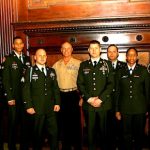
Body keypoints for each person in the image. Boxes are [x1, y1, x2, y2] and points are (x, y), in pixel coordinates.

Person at [77, 40, 114, 150]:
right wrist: (88, 99)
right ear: (88, 50)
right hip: (88, 105)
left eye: (96, 48)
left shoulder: (107, 64)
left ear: (100, 50)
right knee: (90, 133)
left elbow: (111, 84)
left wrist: (100, 99)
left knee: (104, 133)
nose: (93, 50)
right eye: (91, 48)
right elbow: (80, 84)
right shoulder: (83, 65)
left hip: (104, 104)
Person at [23, 48, 60, 150]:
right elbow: (26, 90)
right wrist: (28, 106)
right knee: (37, 135)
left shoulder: (51, 71)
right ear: (35, 57)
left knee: (54, 133)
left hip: (50, 108)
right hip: (36, 108)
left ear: (46, 57)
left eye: (44, 55)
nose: (42, 57)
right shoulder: (30, 71)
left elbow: (55, 88)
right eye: (40, 55)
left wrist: (57, 103)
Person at [115, 47, 150, 150]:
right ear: (126, 57)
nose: (131, 57)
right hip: (125, 109)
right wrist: (117, 110)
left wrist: (147, 108)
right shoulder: (120, 72)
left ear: (137, 56)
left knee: (139, 134)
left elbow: (147, 91)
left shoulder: (143, 71)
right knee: (126, 135)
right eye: (129, 55)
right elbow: (117, 92)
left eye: (133, 55)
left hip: (140, 109)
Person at [2, 36, 31, 150]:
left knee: (25, 124)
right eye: (16, 44)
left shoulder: (27, 59)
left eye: (21, 43)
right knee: (13, 125)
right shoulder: (9, 59)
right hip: (13, 98)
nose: (19, 45)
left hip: (25, 98)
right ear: (13, 46)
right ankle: (11, 147)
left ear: (23, 45)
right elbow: (5, 80)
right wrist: (9, 97)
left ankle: (24, 146)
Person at [53, 42, 82, 150]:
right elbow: (53, 84)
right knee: (63, 123)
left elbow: (83, 83)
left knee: (75, 123)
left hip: (74, 95)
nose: (66, 50)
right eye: (63, 48)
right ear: (61, 50)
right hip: (61, 96)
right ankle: (66, 146)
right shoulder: (56, 65)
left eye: (68, 48)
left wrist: (82, 97)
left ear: (72, 49)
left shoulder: (79, 64)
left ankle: (77, 146)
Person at [107, 44, 125, 150]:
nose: (112, 53)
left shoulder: (124, 65)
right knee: (109, 127)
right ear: (107, 53)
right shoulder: (103, 65)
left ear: (118, 53)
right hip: (107, 101)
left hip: (121, 100)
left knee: (121, 127)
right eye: (109, 51)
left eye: (114, 51)